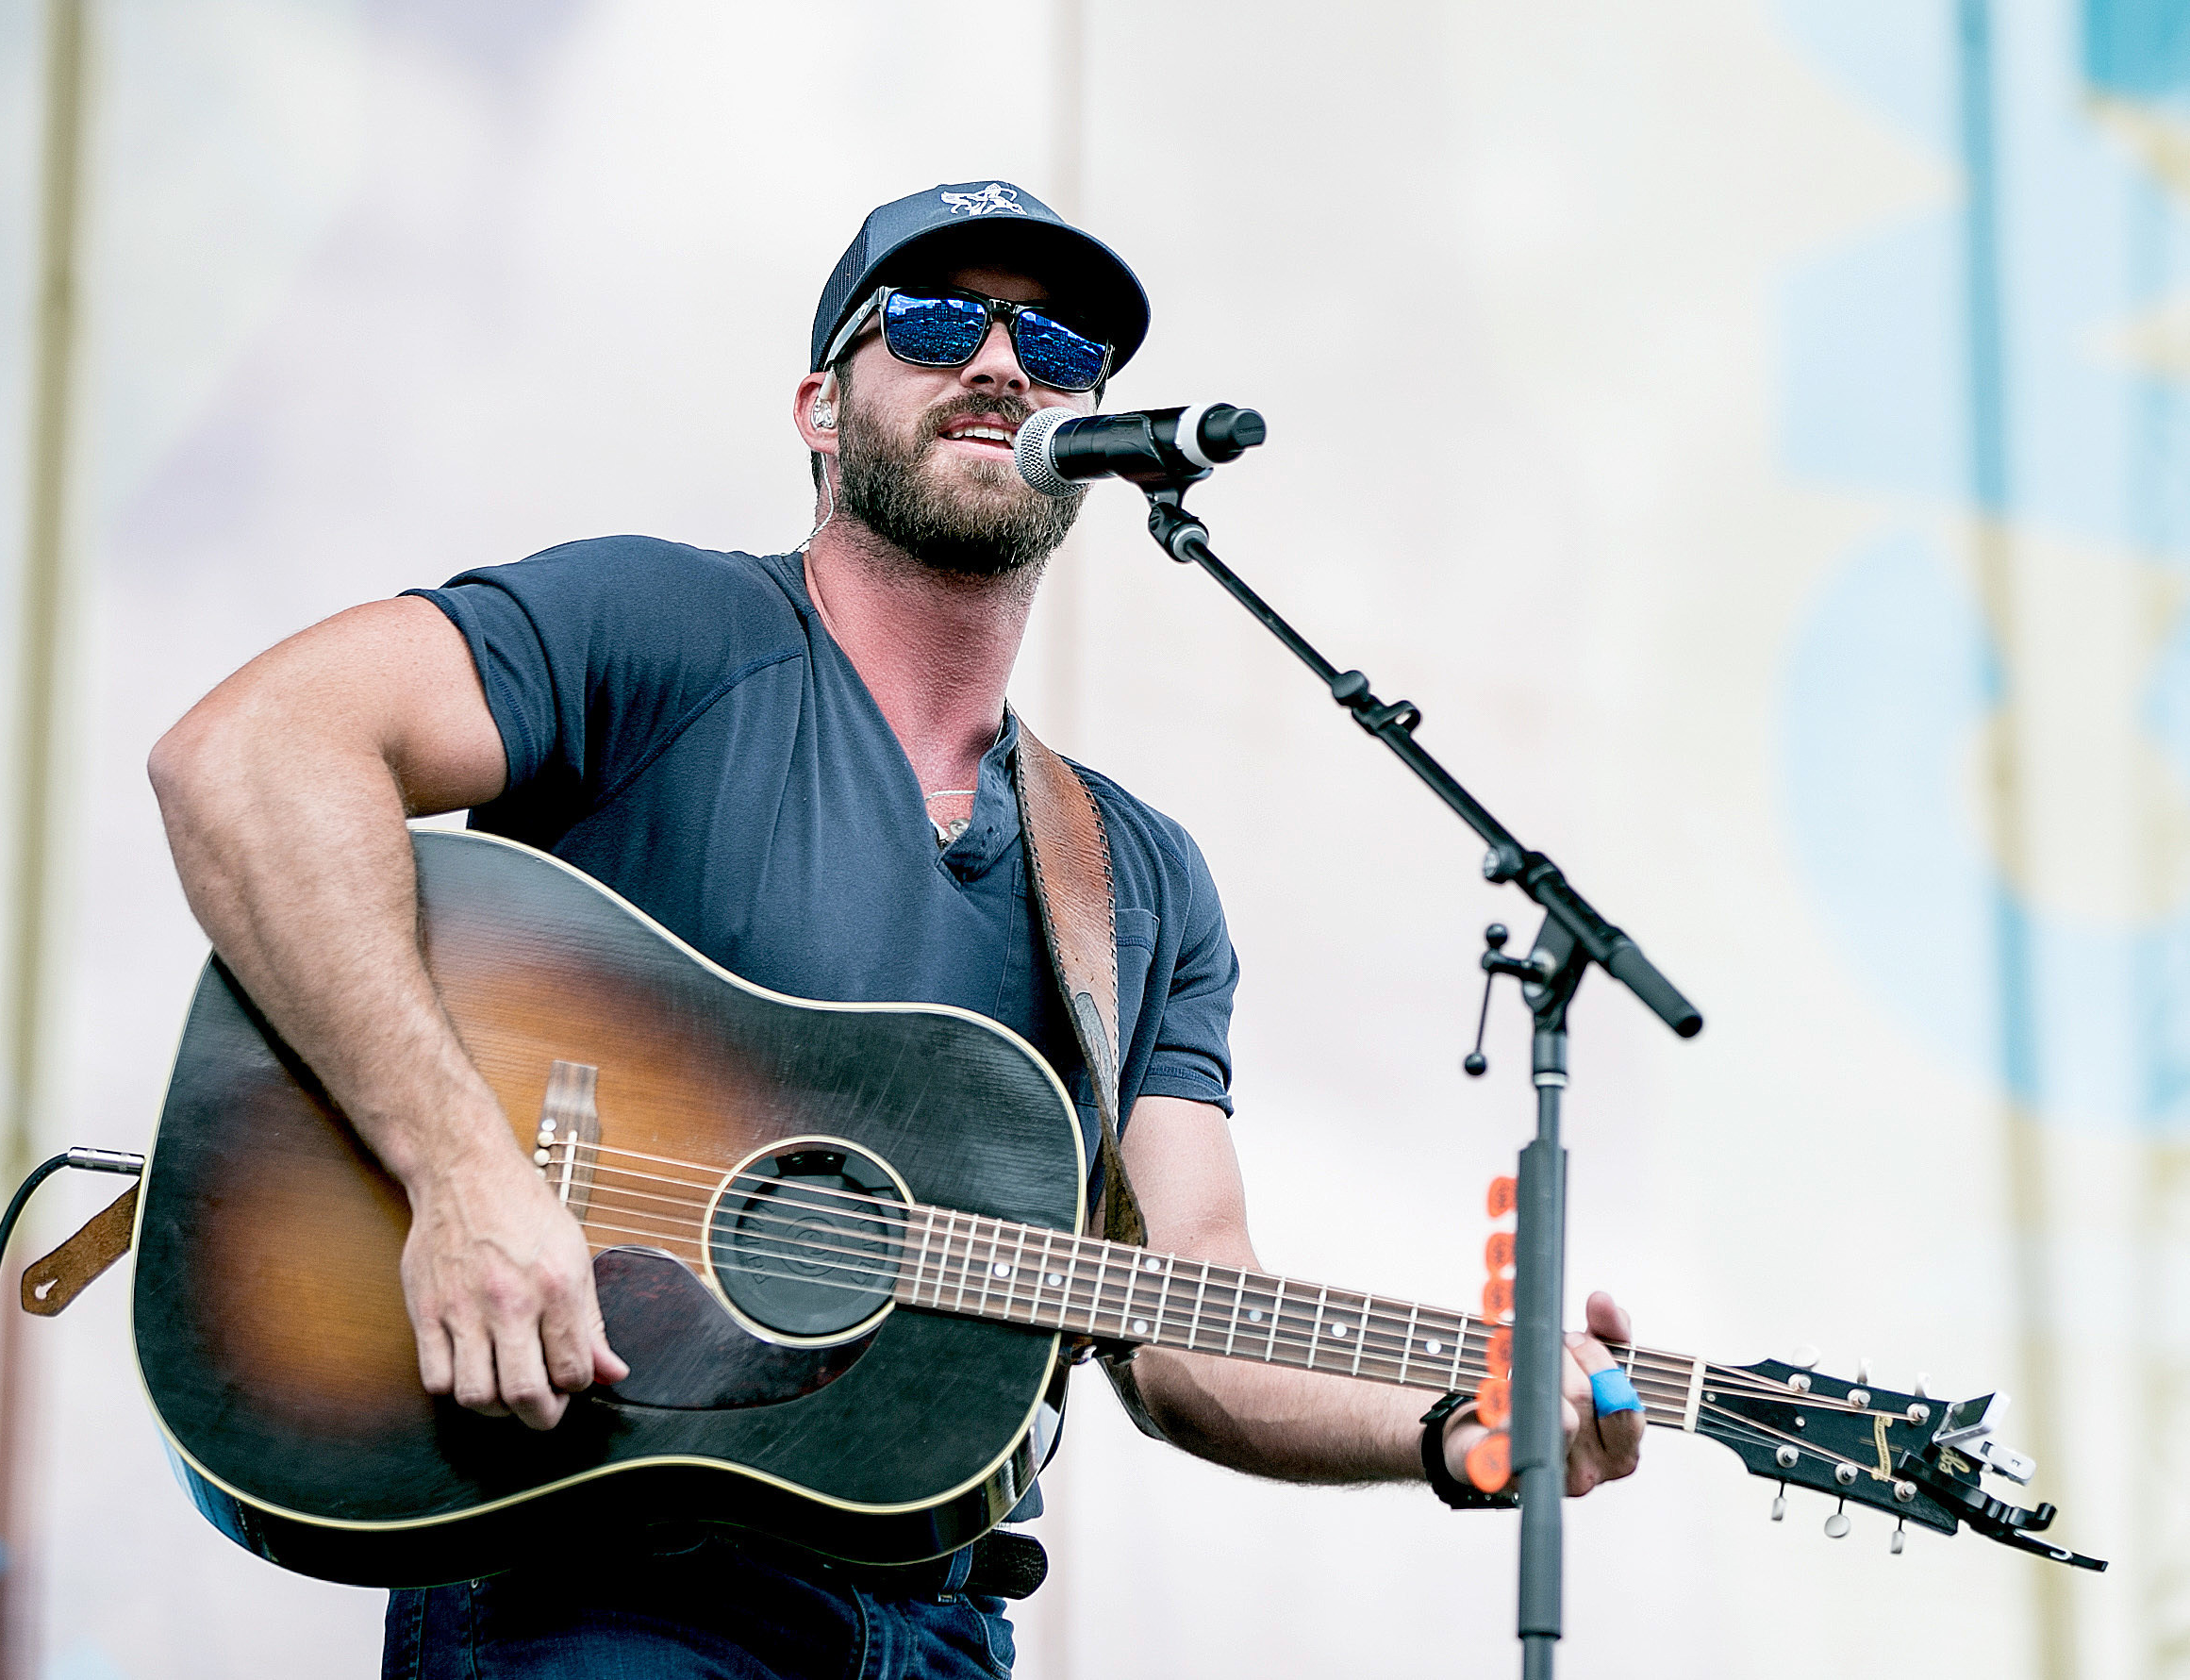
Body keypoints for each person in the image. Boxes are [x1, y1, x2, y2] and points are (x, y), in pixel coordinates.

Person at [147, 181, 1642, 1680]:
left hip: (941, 1620)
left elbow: (1182, 1310)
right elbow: (252, 755)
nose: (1001, 363)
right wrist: (463, 1172)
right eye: (936, 321)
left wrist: (1455, 1418)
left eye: (1055, 347)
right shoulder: (657, 630)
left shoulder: (1134, 879)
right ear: (819, 405)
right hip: (598, 1579)